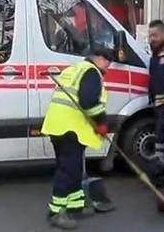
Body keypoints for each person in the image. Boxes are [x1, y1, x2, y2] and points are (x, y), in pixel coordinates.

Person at [41, 48, 113, 230]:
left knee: (69, 168)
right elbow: (88, 101)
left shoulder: (75, 69)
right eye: (108, 62)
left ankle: (74, 207)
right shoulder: (91, 72)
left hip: (58, 126)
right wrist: (101, 123)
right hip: (71, 129)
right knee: (68, 171)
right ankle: (57, 213)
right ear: (99, 58)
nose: (108, 67)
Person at [147, 20, 164, 161]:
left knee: (163, 135)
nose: (152, 39)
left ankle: (161, 168)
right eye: (150, 36)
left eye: (155, 35)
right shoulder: (157, 54)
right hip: (159, 102)